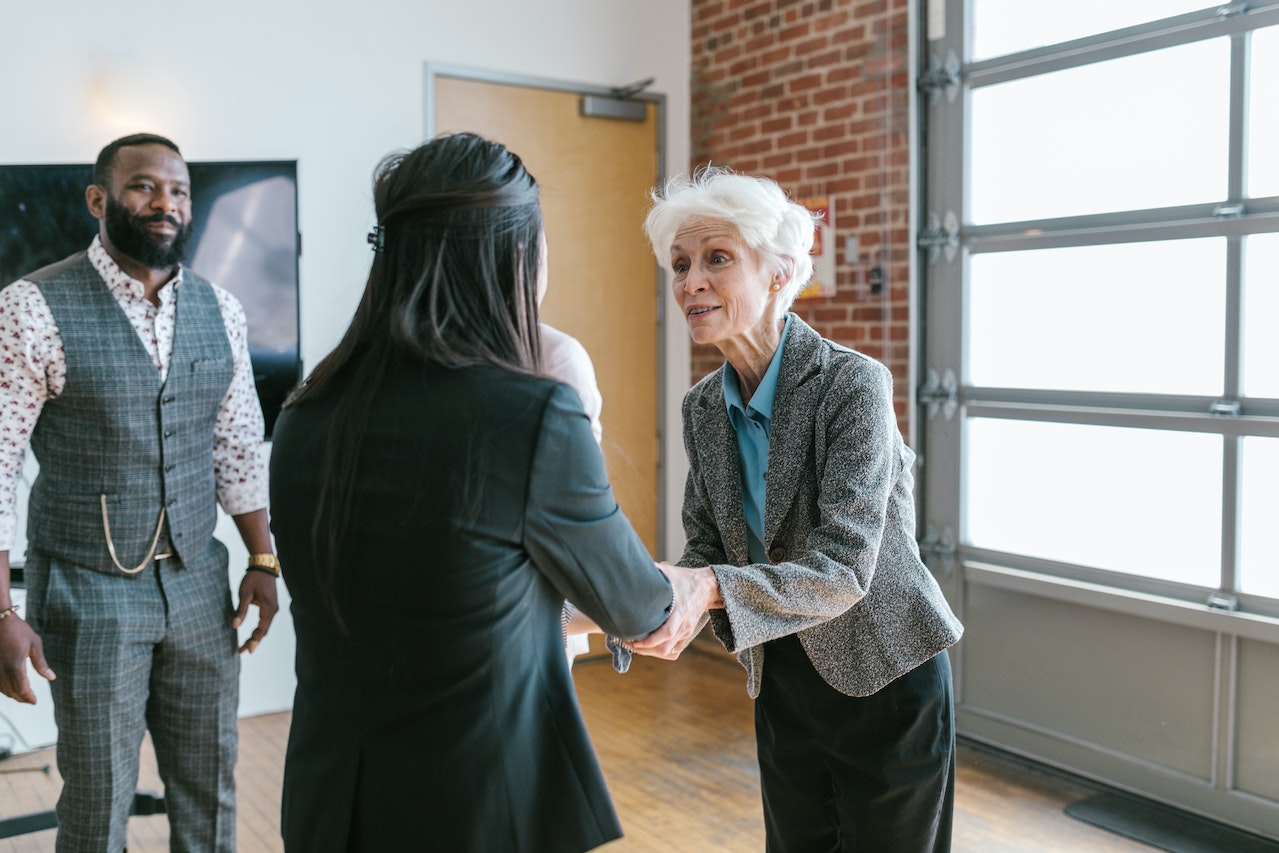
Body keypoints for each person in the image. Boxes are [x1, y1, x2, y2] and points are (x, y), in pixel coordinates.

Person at [268, 132, 707, 853]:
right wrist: (692, 585)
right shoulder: (529, 415)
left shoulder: (306, 413)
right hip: (475, 803)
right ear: (515, 256)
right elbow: (635, 605)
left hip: (329, 802)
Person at [632, 166, 965, 853]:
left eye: (717, 258)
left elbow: (842, 569)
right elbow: (704, 550)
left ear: (781, 272)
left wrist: (708, 588)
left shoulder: (852, 384)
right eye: (681, 264)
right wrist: (632, 599)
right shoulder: (702, 406)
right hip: (782, 677)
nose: (691, 281)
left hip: (887, 675)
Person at [0, 132, 279, 852]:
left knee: (209, 788)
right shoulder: (31, 307)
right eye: (143, 187)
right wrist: (2, 607)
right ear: (99, 200)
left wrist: (262, 559)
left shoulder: (223, 310)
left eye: (179, 190)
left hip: (197, 582)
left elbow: (238, 444)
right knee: (96, 801)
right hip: (86, 588)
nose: (166, 204)